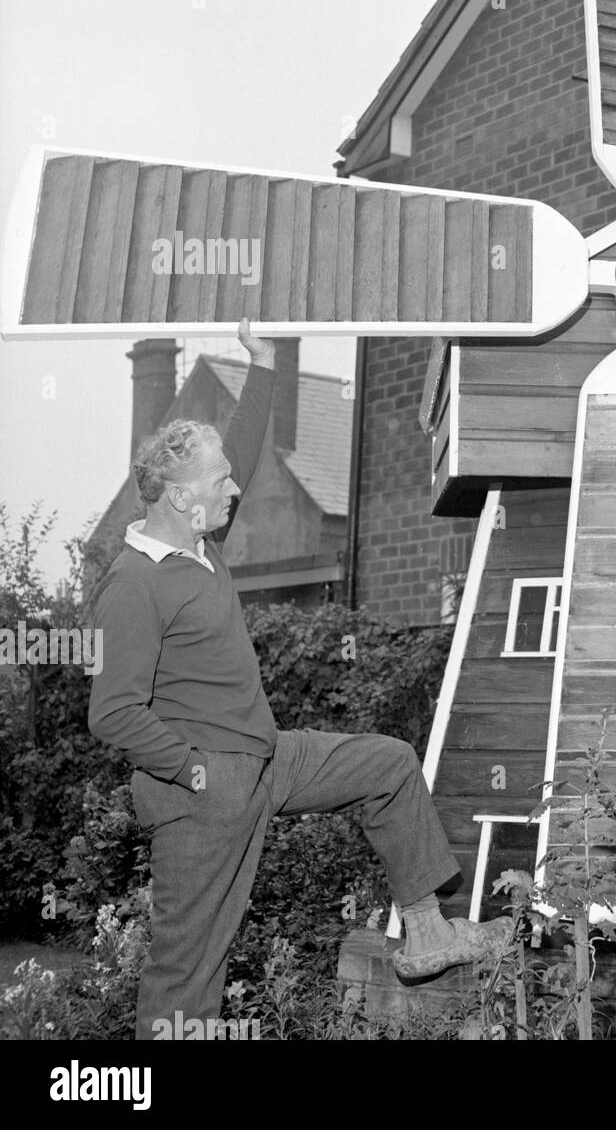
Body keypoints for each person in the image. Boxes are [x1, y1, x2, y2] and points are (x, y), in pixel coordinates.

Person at [89, 320, 510, 1040]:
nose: (234, 488)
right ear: (183, 499)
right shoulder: (133, 585)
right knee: (187, 974)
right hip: (204, 793)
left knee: (387, 764)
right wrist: (193, 773)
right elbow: (113, 712)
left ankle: (428, 933)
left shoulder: (199, 542)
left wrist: (262, 367)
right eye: (219, 482)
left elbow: (242, 448)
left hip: (266, 760)